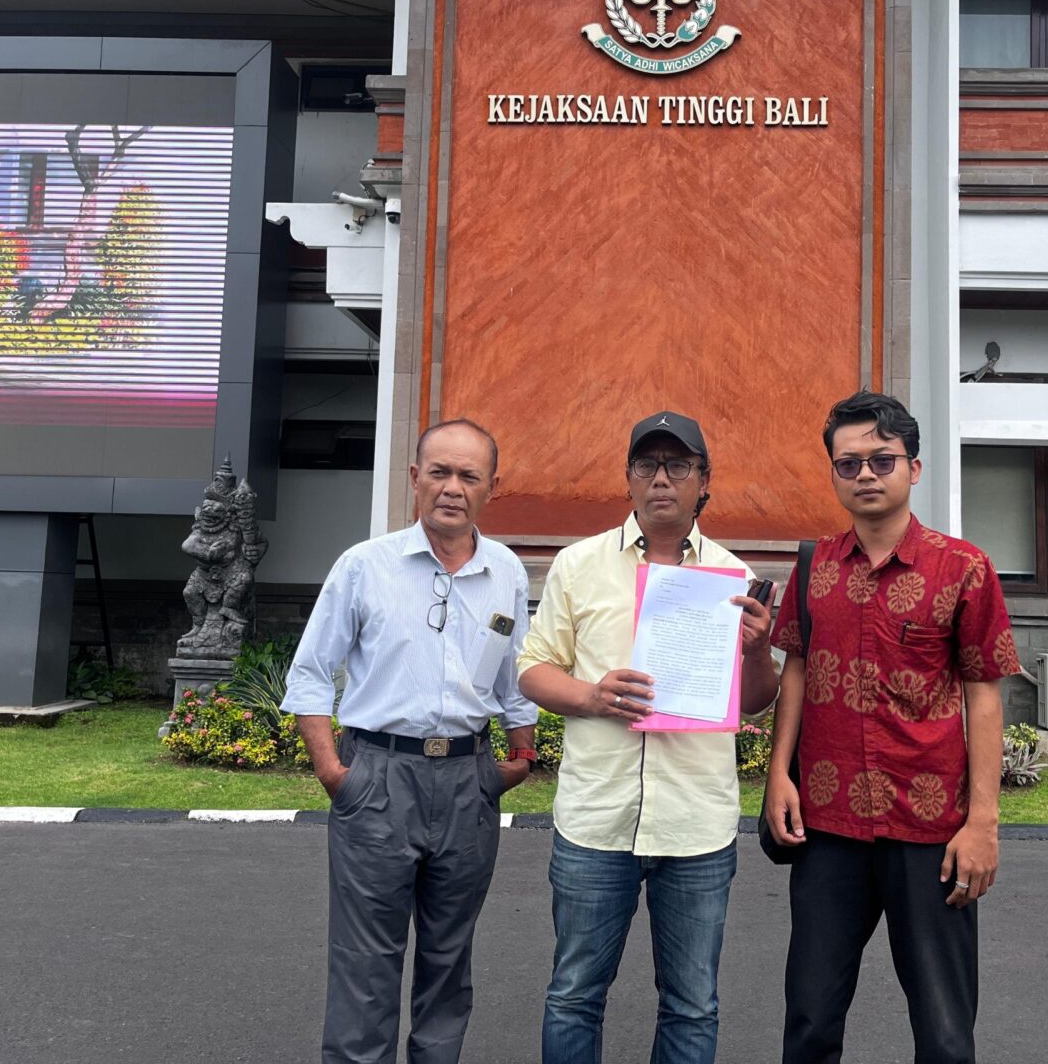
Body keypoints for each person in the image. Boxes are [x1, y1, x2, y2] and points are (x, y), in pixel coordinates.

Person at [765, 390, 1020, 1064]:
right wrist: (777, 776)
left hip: (930, 830)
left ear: (914, 468)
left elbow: (984, 696)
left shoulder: (963, 568)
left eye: (883, 459)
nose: (866, 475)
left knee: (944, 1032)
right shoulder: (814, 567)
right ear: (834, 474)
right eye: (848, 464)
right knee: (810, 1020)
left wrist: (983, 824)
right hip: (828, 827)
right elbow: (796, 669)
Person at [517, 410, 779, 1064]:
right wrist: (591, 696)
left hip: (695, 826)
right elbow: (532, 668)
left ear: (703, 480)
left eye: (678, 465)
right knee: (574, 994)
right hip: (596, 819)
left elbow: (757, 700)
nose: (661, 479)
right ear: (629, 478)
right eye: (647, 465)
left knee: (691, 1004)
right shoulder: (578, 565)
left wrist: (755, 650)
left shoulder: (732, 576)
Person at [282, 419, 539, 1064]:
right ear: (416, 477)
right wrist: (334, 772)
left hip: (469, 781)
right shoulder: (364, 567)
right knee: (365, 961)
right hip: (378, 779)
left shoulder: (506, 572)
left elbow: (513, 674)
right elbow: (311, 672)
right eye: (440, 472)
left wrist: (520, 754)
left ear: (491, 487)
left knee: (450, 960)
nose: (453, 488)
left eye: (469, 476)